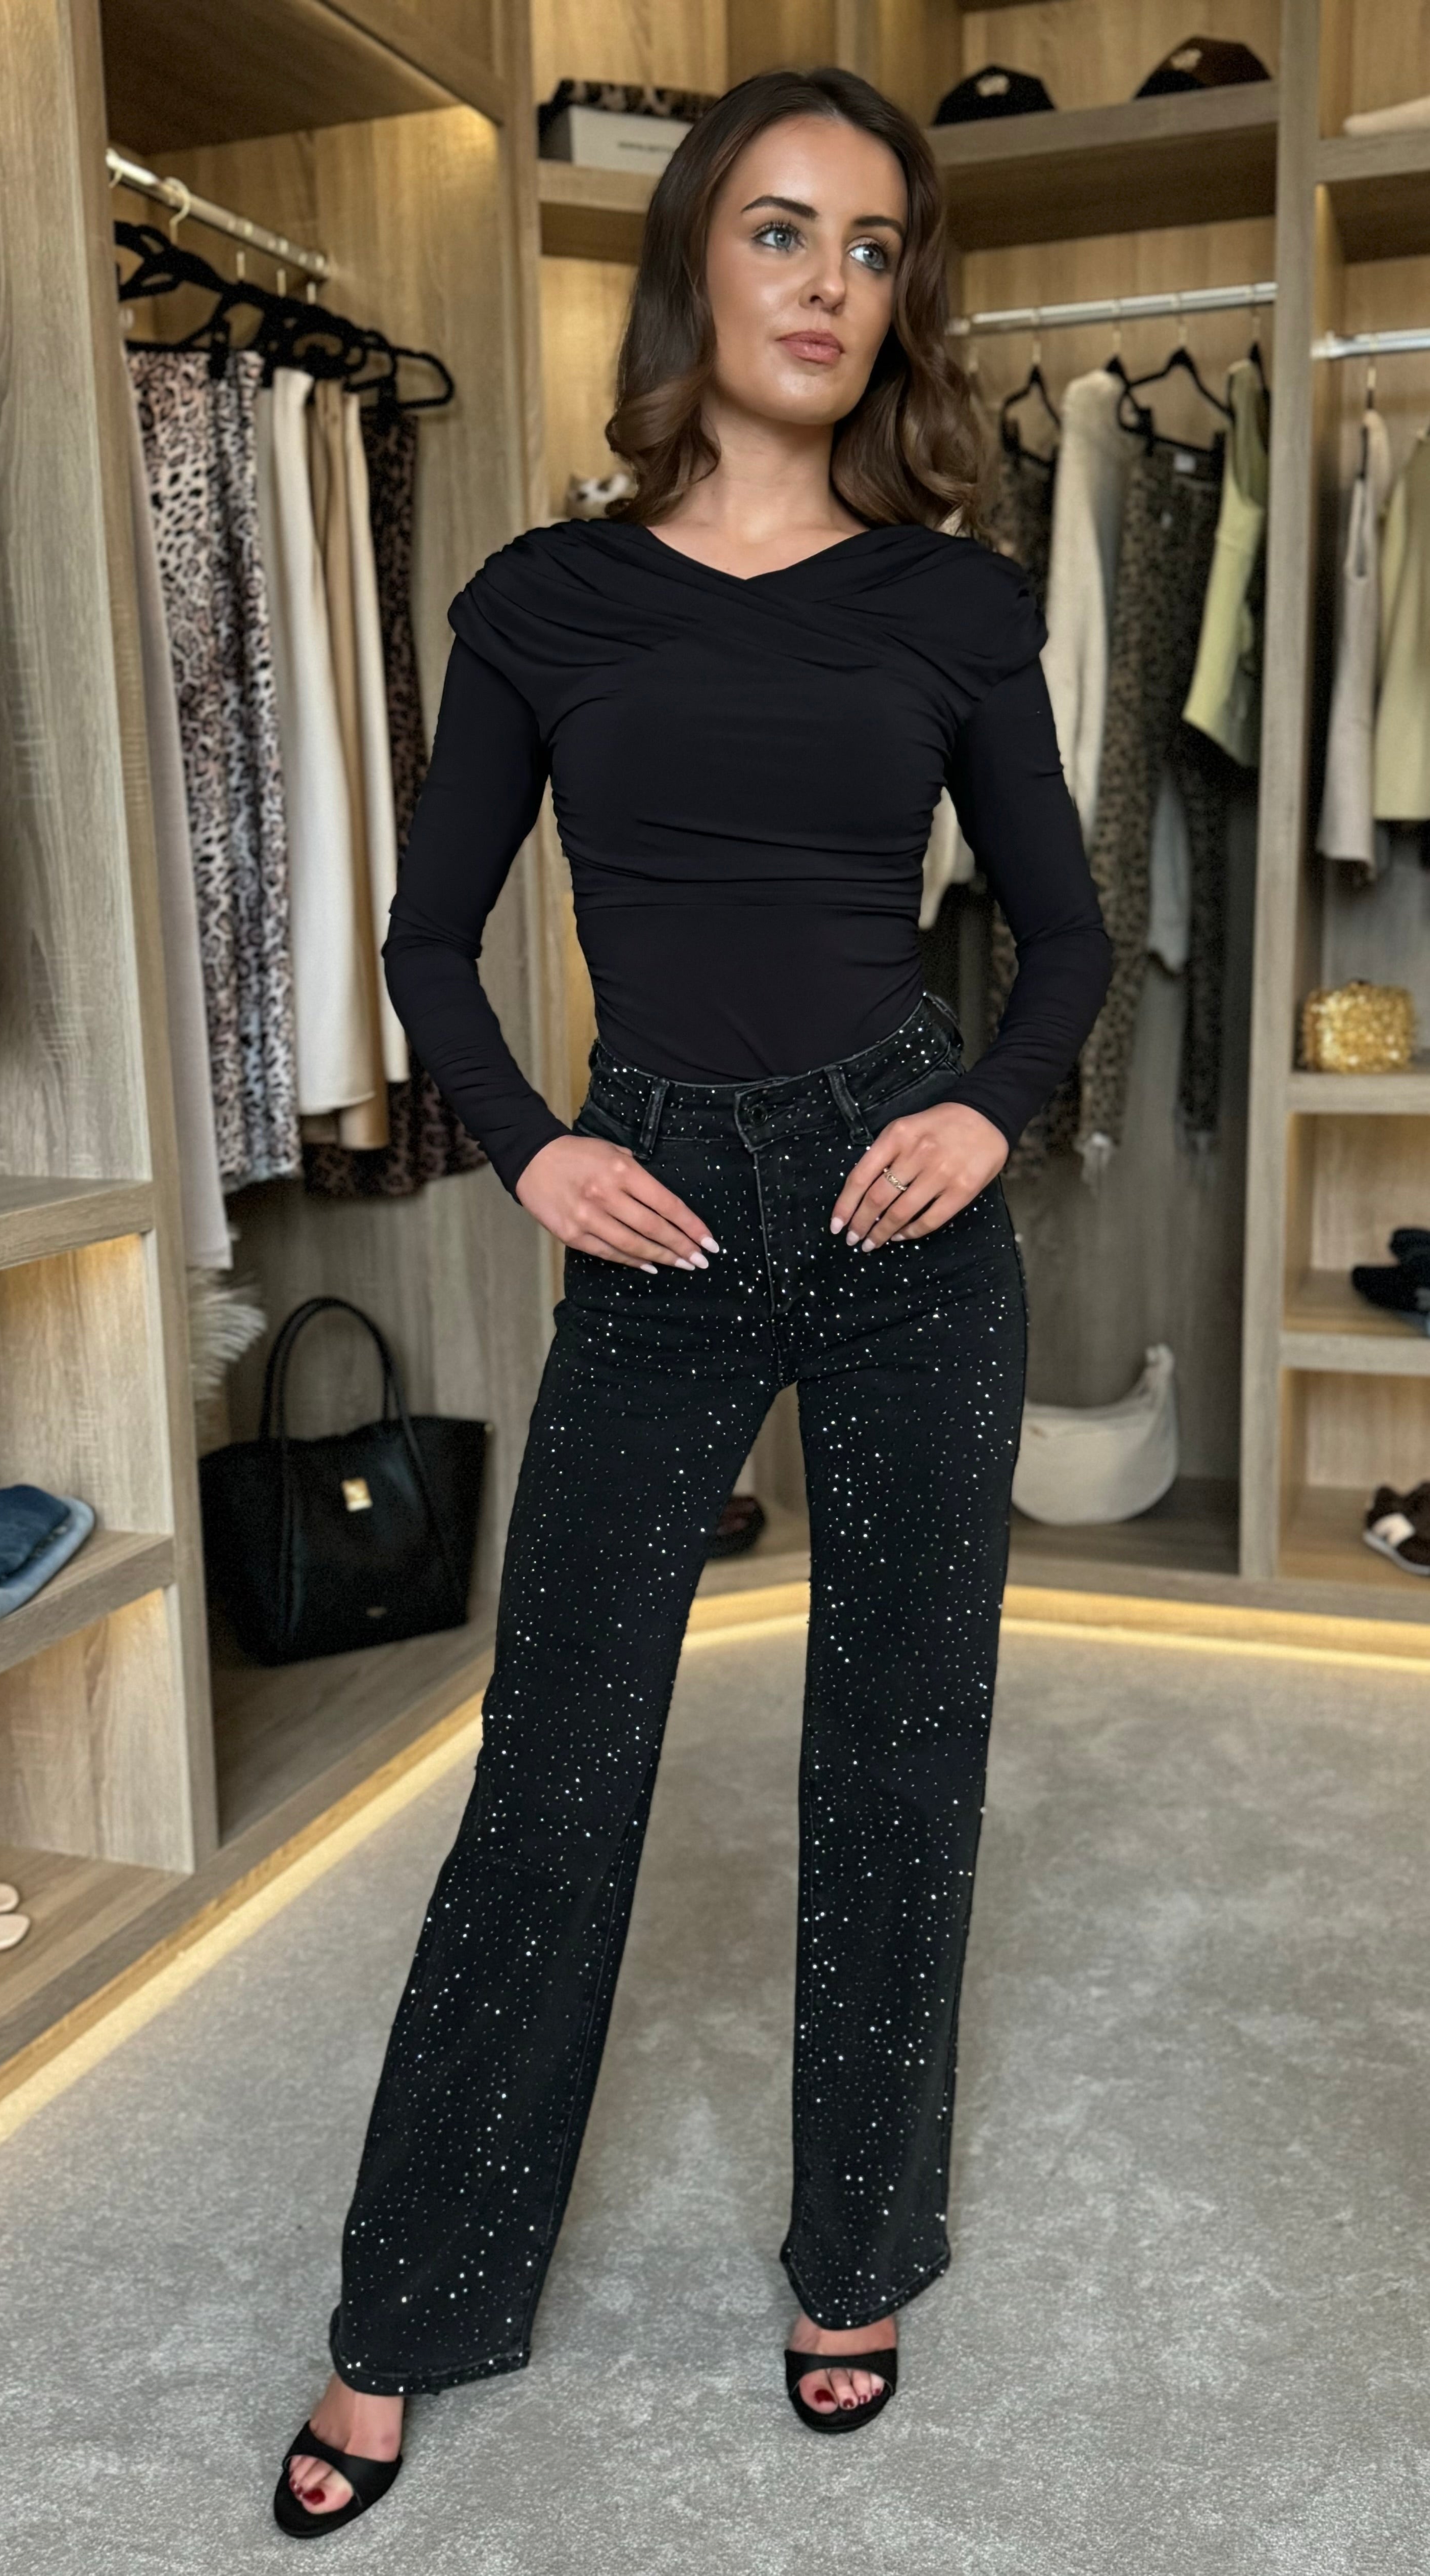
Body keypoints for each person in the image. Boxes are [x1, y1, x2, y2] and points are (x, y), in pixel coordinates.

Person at [274, 62, 1111, 2535]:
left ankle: (853, 2255)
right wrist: (533, 1146)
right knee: (552, 1774)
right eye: (778, 230)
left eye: (871, 245)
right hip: (651, 1201)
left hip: (902, 1213)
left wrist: (989, 1108)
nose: (827, 283)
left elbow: (1065, 935)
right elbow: (430, 937)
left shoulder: (951, 602)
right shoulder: (545, 599)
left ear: (901, 295)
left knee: (893, 1768)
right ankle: (405, 2306)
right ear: (690, 267)